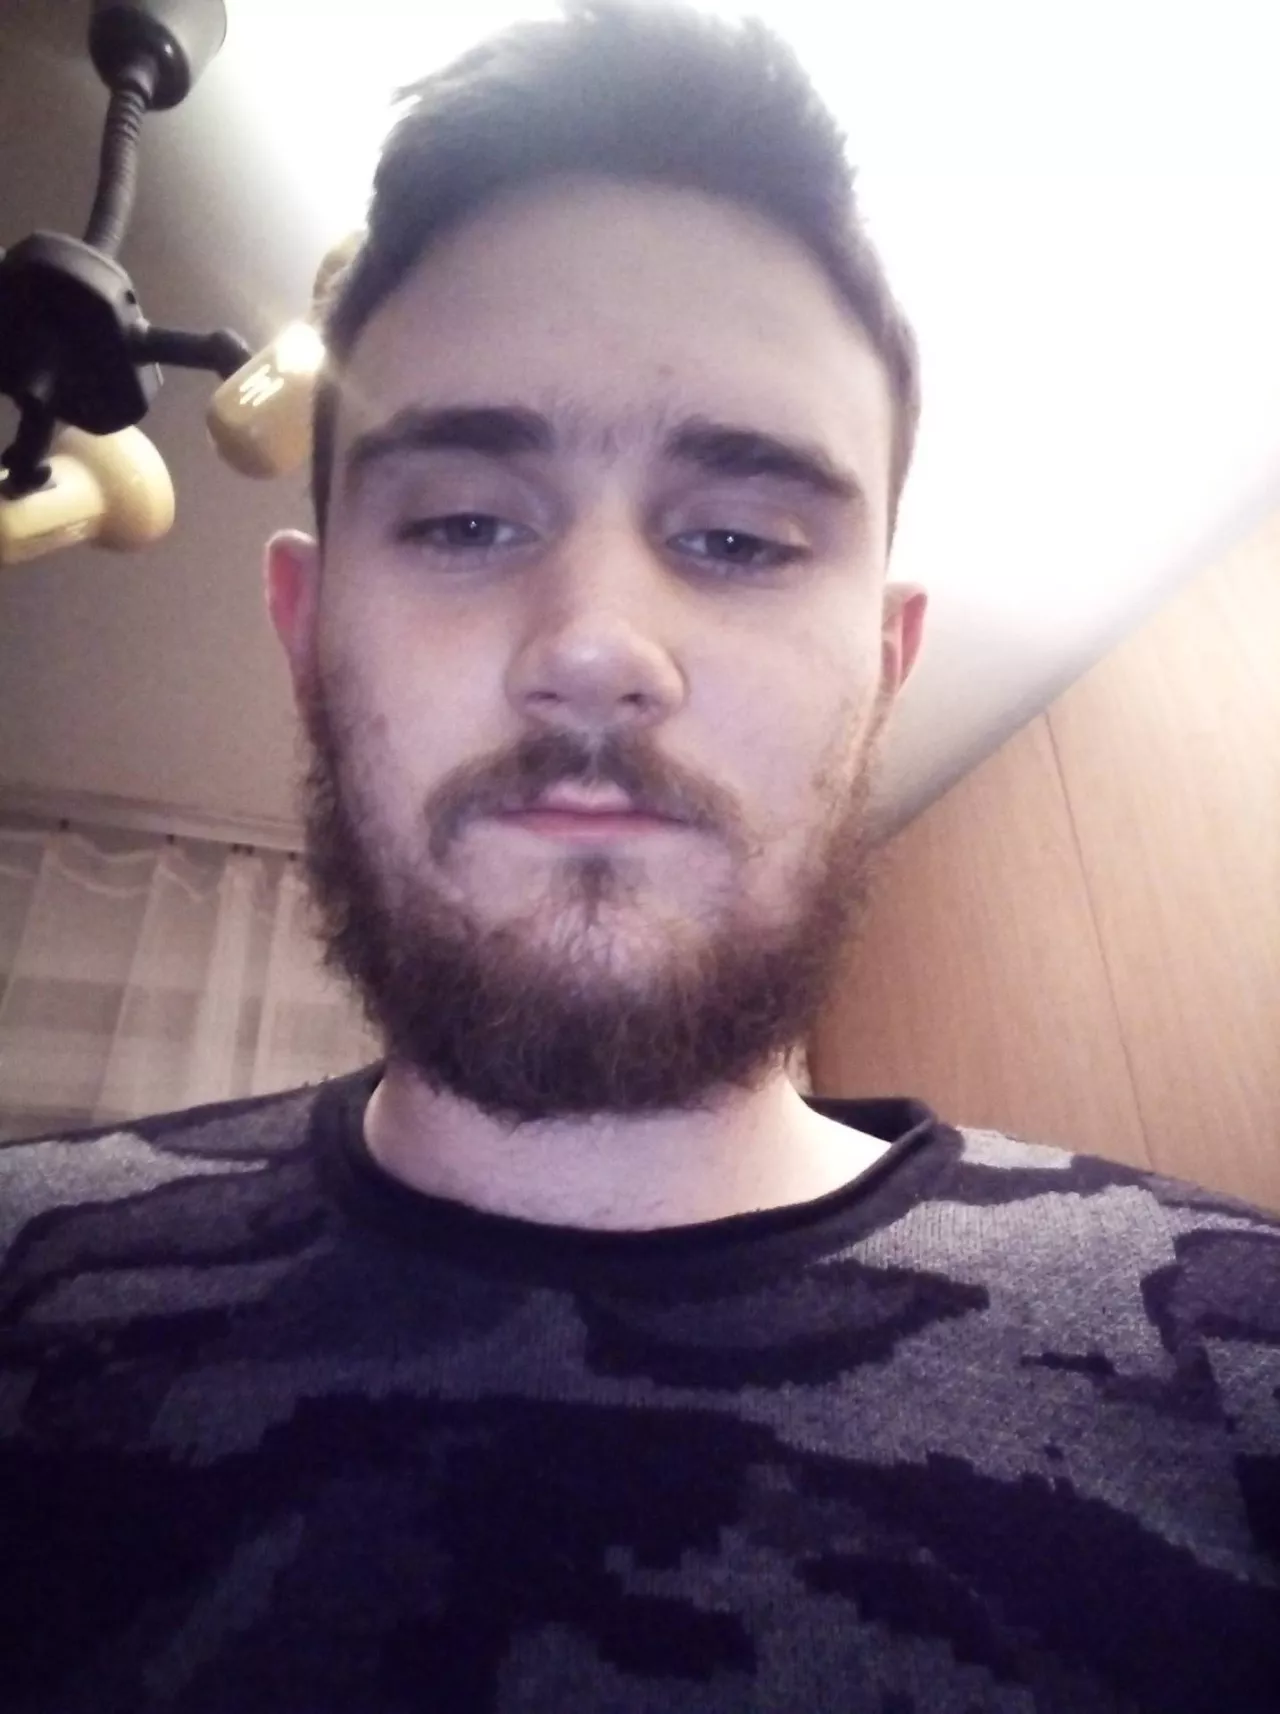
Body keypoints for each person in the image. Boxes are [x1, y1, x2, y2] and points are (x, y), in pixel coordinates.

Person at [2, 2, 1277, 1708]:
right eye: (466, 519)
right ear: (308, 634)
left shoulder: (1245, 1360)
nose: (595, 644)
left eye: (738, 537)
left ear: (884, 665)